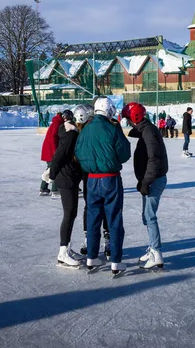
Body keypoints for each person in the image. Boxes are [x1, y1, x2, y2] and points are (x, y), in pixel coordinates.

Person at [75, 96, 131, 276]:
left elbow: (78, 152)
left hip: (91, 180)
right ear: (109, 111)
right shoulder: (112, 128)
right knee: (113, 219)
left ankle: (92, 257)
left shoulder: (85, 129)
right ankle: (115, 261)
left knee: (93, 218)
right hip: (110, 179)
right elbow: (124, 153)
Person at [122, 102, 168, 269]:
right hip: (150, 179)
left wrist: (146, 182)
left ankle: (156, 253)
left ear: (136, 117)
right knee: (146, 217)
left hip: (154, 180)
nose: (128, 122)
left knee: (150, 217)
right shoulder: (146, 130)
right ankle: (153, 248)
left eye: (128, 119)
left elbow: (154, 159)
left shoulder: (148, 132)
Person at [49, 109, 83, 267]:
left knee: (72, 213)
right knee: (69, 213)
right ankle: (63, 253)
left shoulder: (69, 131)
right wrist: (52, 174)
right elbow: (60, 154)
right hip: (66, 177)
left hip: (70, 176)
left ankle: (67, 248)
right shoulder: (70, 134)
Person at [76, 104, 111, 260]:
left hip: (95, 174)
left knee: (98, 207)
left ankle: (106, 239)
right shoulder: (80, 132)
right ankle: (89, 239)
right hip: (89, 175)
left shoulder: (93, 130)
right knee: (92, 207)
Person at [39, 112, 63, 196]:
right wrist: (55, 151)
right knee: (55, 168)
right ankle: (55, 189)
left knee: (50, 168)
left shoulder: (56, 122)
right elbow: (53, 137)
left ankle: (43, 188)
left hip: (48, 150)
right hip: (50, 151)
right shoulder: (57, 123)